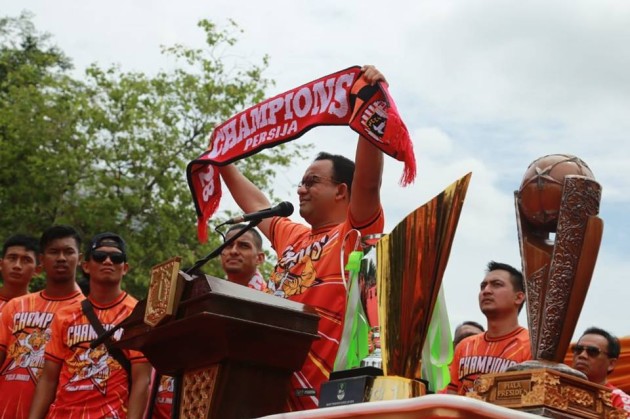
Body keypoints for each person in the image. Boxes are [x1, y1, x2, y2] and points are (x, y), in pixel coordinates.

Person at [219, 65, 386, 410]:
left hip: (322, 395)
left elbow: (368, 183)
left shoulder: (353, 234)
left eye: (312, 182)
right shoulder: (293, 234)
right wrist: (221, 160)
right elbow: (257, 204)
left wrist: (370, 109)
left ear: (342, 191)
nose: (300, 189)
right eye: (300, 182)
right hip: (265, 388)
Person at [28, 232, 152, 418]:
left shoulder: (137, 316)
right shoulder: (65, 315)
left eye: (116, 258)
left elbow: (142, 380)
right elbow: (48, 379)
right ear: (86, 266)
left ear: (125, 268)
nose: (108, 261)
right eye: (100, 256)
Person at [0, 225, 85, 418]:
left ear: (80, 259)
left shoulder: (87, 312)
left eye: (68, 252)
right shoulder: (16, 306)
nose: (61, 258)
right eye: (54, 252)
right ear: (42, 260)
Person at [446, 261, 531, 395]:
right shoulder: (464, 346)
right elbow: (452, 398)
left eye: (497, 285)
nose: (486, 291)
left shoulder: (531, 347)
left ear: (519, 297)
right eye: (483, 286)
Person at [572, 327, 630, 415]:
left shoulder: (618, 400)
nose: (582, 355)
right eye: (578, 350)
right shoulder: (555, 388)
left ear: (611, 364)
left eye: (592, 351)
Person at [220, 224, 267, 290]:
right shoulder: (208, 294)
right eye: (228, 245)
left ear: (259, 258)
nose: (233, 251)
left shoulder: (274, 297)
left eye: (243, 246)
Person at [0, 234, 41, 310]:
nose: (17, 266)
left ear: (37, 270)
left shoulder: (40, 310)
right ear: (1, 264)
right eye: (12, 258)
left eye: (26, 260)